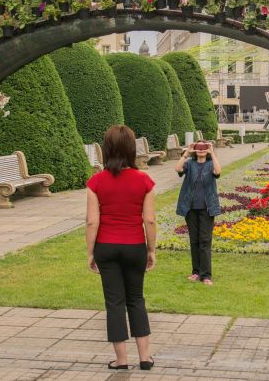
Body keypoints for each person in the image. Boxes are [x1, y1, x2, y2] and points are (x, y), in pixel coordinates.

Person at [86, 125, 156, 371]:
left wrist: (90, 252)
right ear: (131, 149)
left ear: (107, 149)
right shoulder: (144, 180)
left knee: (114, 302)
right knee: (136, 299)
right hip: (135, 245)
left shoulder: (96, 181)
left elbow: (92, 221)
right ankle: (145, 358)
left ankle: (122, 360)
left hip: (106, 245)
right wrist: (151, 250)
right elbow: (149, 220)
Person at [174, 140, 222, 286]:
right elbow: (178, 168)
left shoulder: (210, 164)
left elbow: (218, 171)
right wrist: (187, 153)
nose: (201, 150)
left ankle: (206, 275)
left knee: (205, 241)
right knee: (194, 240)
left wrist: (212, 153)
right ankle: (196, 272)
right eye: (198, 147)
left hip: (208, 208)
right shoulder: (190, 164)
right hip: (191, 208)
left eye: (204, 147)